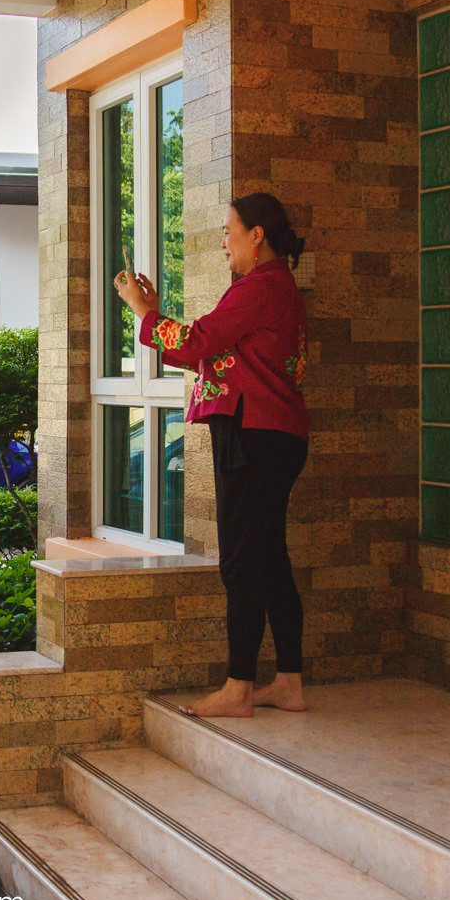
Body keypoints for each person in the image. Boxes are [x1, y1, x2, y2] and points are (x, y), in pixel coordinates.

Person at [113, 192, 311, 718]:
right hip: (275, 435)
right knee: (269, 558)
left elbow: (198, 341)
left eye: (228, 230)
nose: (223, 241)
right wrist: (155, 315)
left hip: (253, 435)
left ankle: (239, 687)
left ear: (256, 235)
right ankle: (288, 682)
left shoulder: (259, 287)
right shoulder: (277, 287)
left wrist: (141, 310)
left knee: (242, 562)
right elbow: (210, 351)